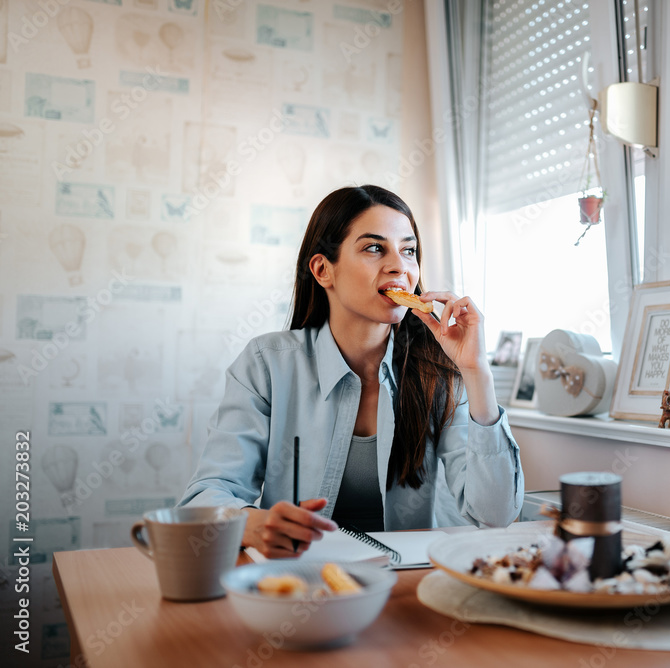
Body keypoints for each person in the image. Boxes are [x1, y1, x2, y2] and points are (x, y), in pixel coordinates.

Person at [178, 185, 524, 559]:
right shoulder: (267, 365)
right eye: (375, 248)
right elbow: (204, 497)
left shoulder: (439, 373)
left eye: (408, 250)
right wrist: (251, 524)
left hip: (413, 587)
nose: (400, 267)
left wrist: (477, 372)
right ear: (323, 270)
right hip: (303, 583)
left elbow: (495, 519)